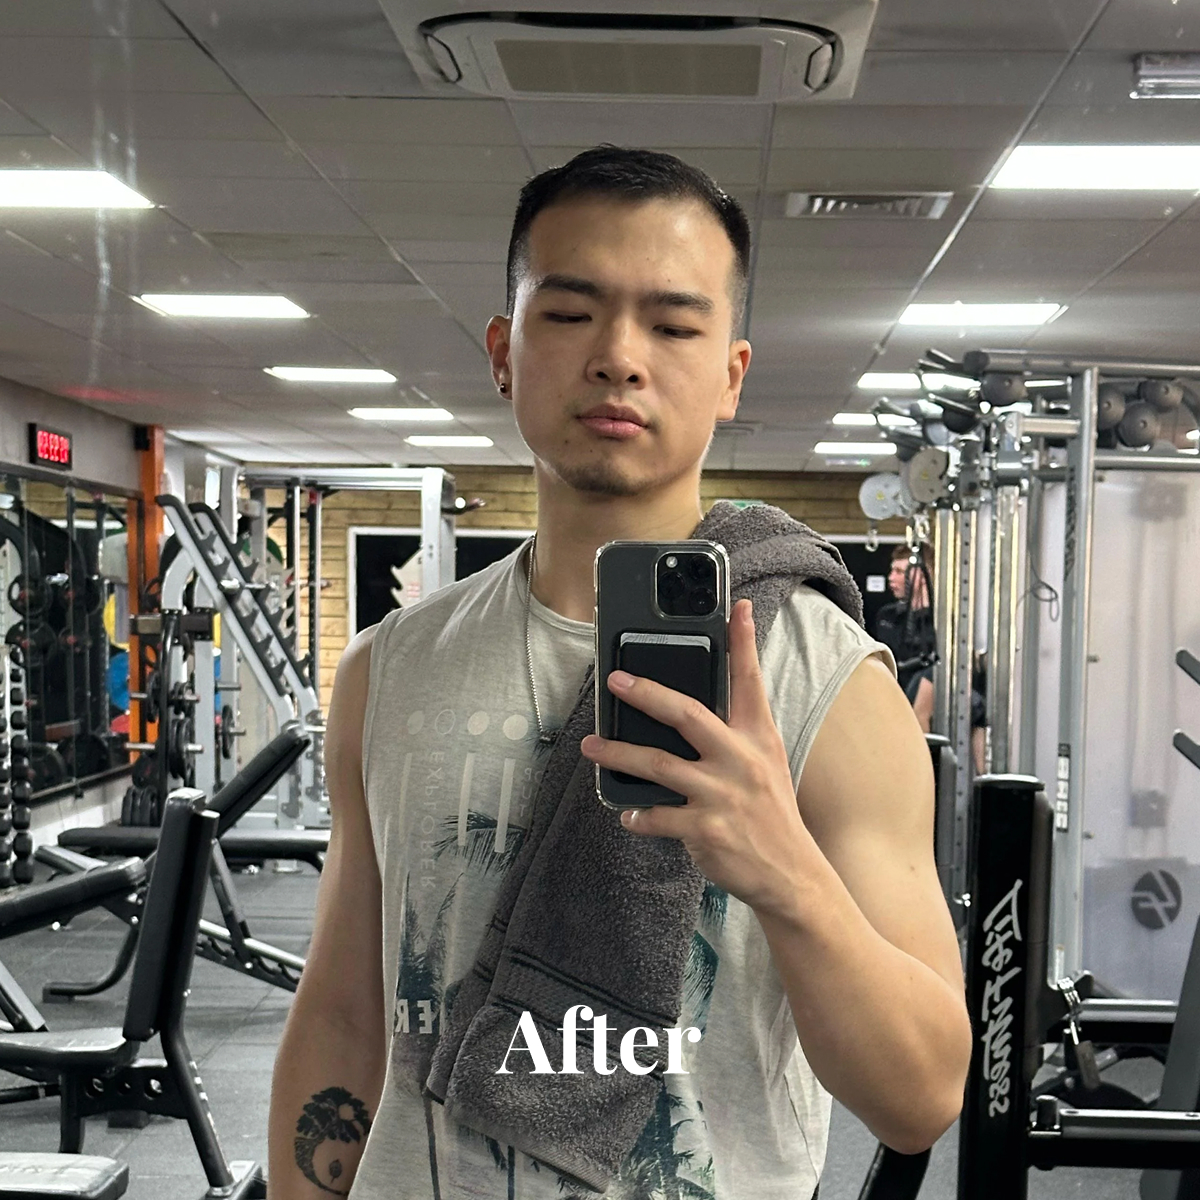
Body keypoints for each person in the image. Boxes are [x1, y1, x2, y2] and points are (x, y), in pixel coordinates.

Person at [268, 147, 971, 1200]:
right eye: (571, 314)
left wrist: (784, 874)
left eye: (674, 324)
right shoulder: (388, 669)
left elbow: (920, 1097)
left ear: (732, 373)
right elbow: (341, 1013)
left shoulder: (834, 685)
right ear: (504, 351)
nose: (619, 357)